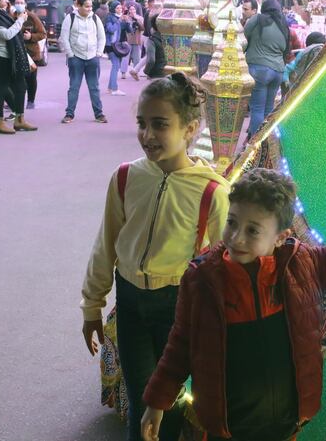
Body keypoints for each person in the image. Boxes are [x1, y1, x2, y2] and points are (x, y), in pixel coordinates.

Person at [140, 168, 326, 441]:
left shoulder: (303, 265)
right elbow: (179, 346)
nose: (236, 237)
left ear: (280, 236)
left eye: (252, 230)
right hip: (227, 430)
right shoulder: (202, 281)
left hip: (286, 427)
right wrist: (157, 402)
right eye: (232, 222)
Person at [80, 73, 231, 441]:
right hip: (130, 301)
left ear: (190, 128)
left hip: (177, 309)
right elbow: (107, 244)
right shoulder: (125, 177)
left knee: (170, 402)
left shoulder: (213, 191)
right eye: (142, 124)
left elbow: (223, 269)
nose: (147, 135)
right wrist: (91, 306)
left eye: (160, 125)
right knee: (143, 397)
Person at [0, 0, 37, 134]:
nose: (6, 0)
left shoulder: (3, 13)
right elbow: (7, 34)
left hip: (12, 55)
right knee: (0, 87)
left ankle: (19, 118)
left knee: (20, 85)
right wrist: (19, 21)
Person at [244, 0, 290, 137]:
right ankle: (267, 145)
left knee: (257, 109)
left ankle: (255, 147)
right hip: (278, 72)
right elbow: (286, 50)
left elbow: (243, 36)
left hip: (259, 69)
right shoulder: (283, 25)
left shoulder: (258, 19)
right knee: (268, 110)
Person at [59, 0, 107, 124]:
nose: (89, 9)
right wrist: (70, 54)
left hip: (92, 58)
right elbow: (64, 37)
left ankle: (99, 114)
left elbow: (102, 37)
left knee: (94, 87)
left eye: (91, 6)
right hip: (76, 58)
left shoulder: (95, 18)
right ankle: (69, 114)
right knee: (74, 87)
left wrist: (99, 53)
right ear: (78, 5)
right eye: (86, 6)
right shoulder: (70, 18)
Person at [12, 0, 46, 109]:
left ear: (25, 4)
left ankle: (31, 100)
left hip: (31, 54)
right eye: (17, 2)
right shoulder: (11, 17)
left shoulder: (32, 17)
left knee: (31, 79)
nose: (19, 4)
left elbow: (43, 34)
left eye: (21, 2)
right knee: (16, 79)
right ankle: (14, 101)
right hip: (16, 53)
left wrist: (31, 36)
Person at [104, 0, 131, 96]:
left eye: (120, 8)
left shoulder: (121, 17)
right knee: (115, 66)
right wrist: (118, 21)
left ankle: (110, 88)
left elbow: (129, 31)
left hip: (119, 46)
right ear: (113, 8)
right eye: (117, 8)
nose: (120, 10)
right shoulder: (109, 17)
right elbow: (111, 29)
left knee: (116, 66)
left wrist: (127, 22)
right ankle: (114, 89)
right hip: (111, 45)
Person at [121, 5, 144, 80]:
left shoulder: (139, 18)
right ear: (129, 10)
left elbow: (143, 28)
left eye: (134, 9)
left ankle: (135, 72)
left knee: (137, 58)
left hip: (137, 40)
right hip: (127, 40)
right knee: (125, 57)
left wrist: (137, 19)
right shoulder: (125, 18)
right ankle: (123, 73)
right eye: (130, 9)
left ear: (136, 10)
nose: (132, 11)